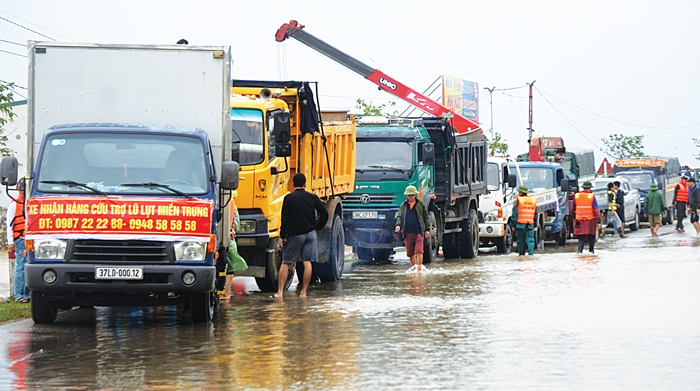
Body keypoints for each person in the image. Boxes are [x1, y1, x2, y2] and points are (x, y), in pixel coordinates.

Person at [276, 173, 328, 299]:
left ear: (293, 184)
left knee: (286, 262)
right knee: (307, 262)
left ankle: (280, 292)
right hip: (310, 234)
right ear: (305, 184)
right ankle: (304, 292)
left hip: (295, 235)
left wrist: (282, 236)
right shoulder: (312, 197)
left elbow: (285, 218)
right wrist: (317, 227)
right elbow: (324, 213)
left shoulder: (289, 198)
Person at [395, 185, 430, 271]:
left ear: (415, 195)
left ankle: (419, 269)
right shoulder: (403, 205)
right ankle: (414, 267)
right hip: (408, 232)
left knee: (419, 251)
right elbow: (399, 216)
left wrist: (427, 229)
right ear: (406, 196)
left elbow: (426, 217)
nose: (410, 197)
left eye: (412, 195)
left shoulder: (421, 204)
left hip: (419, 231)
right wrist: (398, 225)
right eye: (409, 195)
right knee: (410, 253)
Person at [6, 180, 29, 303]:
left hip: (31, 239)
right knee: (20, 267)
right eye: (21, 190)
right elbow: (9, 224)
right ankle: (18, 294)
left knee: (29, 266)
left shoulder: (32, 203)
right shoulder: (14, 205)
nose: (23, 192)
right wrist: (11, 242)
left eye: (25, 189)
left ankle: (27, 294)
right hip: (20, 240)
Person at [221, 190, 242, 301]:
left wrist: (232, 229)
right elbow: (237, 222)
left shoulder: (222, 202)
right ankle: (225, 293)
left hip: (227, 239)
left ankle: (226, 293)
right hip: (228, 238)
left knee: (228, 266)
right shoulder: (232, 203)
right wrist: (233, 229)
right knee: (228, 266)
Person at [573, 181, 601, 253]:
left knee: (581, 237)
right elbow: (596, 209)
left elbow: (573, 208)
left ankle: (579, 251)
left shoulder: (577, 196)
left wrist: (574, 217)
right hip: (590, 219)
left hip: (579, 220)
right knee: (591, 236)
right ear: (589, 188)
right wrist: (598, 220)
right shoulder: (591, 196)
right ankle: (591, 251)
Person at [509, 185, 537, 256]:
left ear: (521, 192)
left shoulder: (519, 200)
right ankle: (531, 254)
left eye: (519, 191)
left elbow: (514, 214)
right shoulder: (533, 200)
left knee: (521, 241)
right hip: (530, 225)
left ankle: (522, 255)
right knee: (530, 240)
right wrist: (535, 225)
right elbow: (536, 214)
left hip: (520, 225)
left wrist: (513, 225)